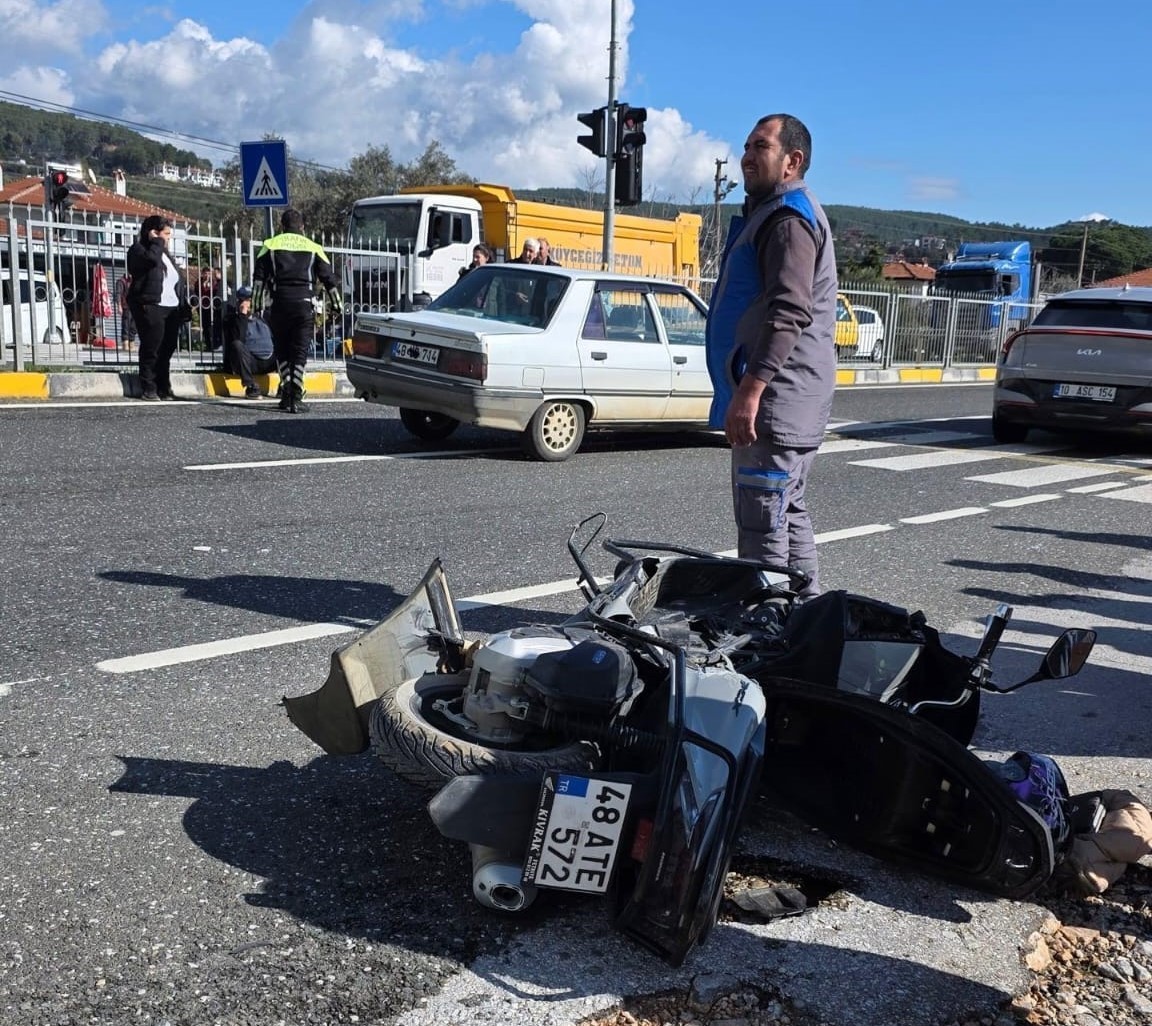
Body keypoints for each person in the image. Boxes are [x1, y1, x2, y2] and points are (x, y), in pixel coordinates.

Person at [704, 113, 838, 600]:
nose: (746, 157)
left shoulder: (786, 220)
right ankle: (801, 619)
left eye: (760, 147)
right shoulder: (780, 213)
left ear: (791, 161)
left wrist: (750, 391)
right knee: (787, 510)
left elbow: (788, 313)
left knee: (763, 525)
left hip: (777, 400)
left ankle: (768, 630)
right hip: (793, 396)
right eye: (746, 146)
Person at [252, 208, 341, 414]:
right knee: (299, 352)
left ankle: (286, 394)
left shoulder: (270, 245)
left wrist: (257, 305)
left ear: (282, 226)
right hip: (303, 304)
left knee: (282, 350)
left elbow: (259, 280)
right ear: (302, 227)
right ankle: (296, 395)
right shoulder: (313, 247)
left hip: (279, 304)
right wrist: (337, 305)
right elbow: (329, 279)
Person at [126, 215, 187, 401]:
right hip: (150, 304)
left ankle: (163, 386)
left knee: (167, 347)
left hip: (171, 307)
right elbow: (151, 260)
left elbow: (176, 280)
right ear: (152, 232)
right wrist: (157, 241)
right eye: (165, 234)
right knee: (152, 346)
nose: (168, 238)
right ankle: (148, 386)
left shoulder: (164, 253)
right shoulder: (139, 250)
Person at [223, 286, 275, 399]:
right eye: (245, 300)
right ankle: (250, 386)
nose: (248, 303)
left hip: (269, 360)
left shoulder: (264, 316)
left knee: (289, 343)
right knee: (237, 345)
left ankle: (287, 386)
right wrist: (243, 315)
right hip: (250, 362)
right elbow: (238, 340)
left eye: (250, 300)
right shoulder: (233, 320)